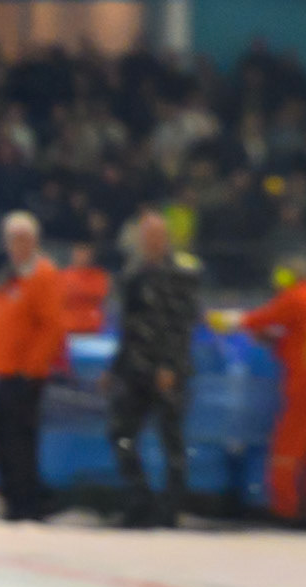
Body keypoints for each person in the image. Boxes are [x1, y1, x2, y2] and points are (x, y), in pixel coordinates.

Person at [106, 210, 202, 527]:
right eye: (146, 237)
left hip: (168, 371)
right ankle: (139, 499)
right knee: (121, 434)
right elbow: (127, 327)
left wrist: (170, 365)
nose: (151, 243)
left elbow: (183, 325)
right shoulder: (132, 274)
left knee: (171, 440)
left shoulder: (183, 274)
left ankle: (171, 508)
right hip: (135, 369)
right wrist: (115, 368)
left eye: (157, 237)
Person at [237, 259, 306, 528]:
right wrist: (278, 342)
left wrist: (233, 322)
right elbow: (300, 339)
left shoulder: (296, 297)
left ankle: (285, 508)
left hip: (304, 389)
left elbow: (257, 320)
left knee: (286, 449)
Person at [0, 210, 68, 520]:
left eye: (22, 239)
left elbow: (52, 327)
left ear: (34, 241)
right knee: (3, 439)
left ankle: (25, 503)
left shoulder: (42, 275)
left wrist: (32, 367)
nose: (16, 245)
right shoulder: (9, 275)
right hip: (3, 370)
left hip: (24, 374)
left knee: (20, 441)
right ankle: (11, 496)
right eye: (12, 239)